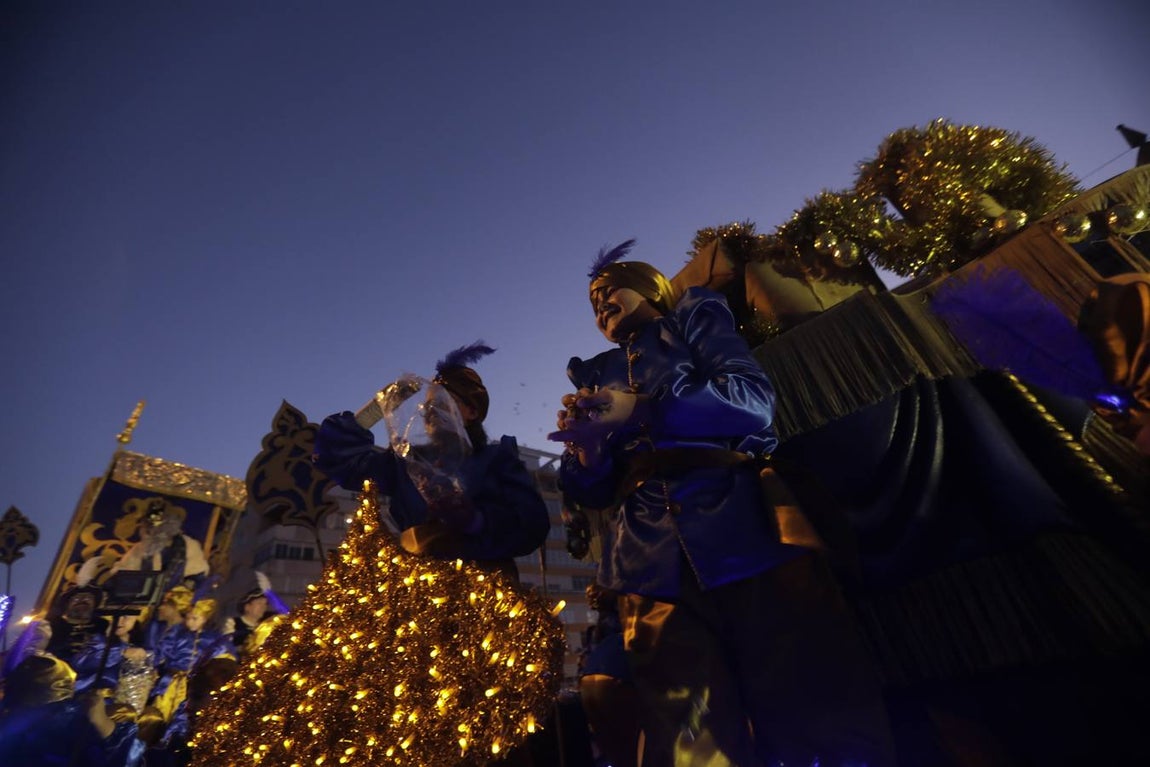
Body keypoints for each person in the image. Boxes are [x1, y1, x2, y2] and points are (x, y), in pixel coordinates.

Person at [549, 240, 894, 767]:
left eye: (608, 292)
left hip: (744, 531)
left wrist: (643, 409)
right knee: (687, 732)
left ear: (649, 287)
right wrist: (589, 454)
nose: (600, 308)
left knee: (809, 700)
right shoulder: (596, 373)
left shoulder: (692, 320)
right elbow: (591, 489)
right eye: (592, 304)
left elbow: (752, 403)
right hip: (647, 564)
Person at [313, 343, 551, 581]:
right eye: (427, 405)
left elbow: (532, 525)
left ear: (472, 411)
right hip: (416, 588)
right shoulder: (408, 462)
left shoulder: (497, 459)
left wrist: (474, 521)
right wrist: (376, 409)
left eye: (443, 402)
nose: (430, 411)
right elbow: (341, 460)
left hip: (486, 589)